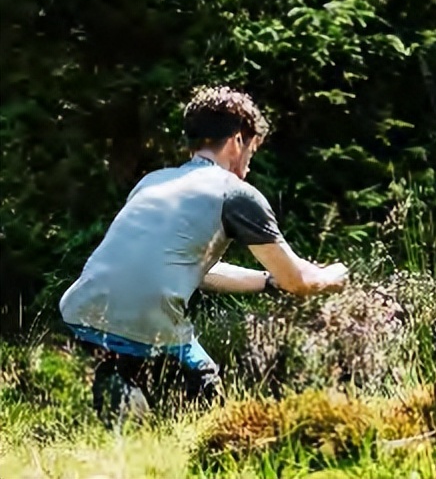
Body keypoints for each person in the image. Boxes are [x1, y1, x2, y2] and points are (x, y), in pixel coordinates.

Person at [59, 86, 350, 426]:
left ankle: (121, 387)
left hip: (82, 307)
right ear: (237, 141)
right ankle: (195, 444)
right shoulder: (236, 194)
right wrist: (332, 276)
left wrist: (267, 282)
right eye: (252, 152)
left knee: (141, 350)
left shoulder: (153, 181)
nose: (249, 166)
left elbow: (193, 269)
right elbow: (298, 281)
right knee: (204, 384)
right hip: (151, 316)